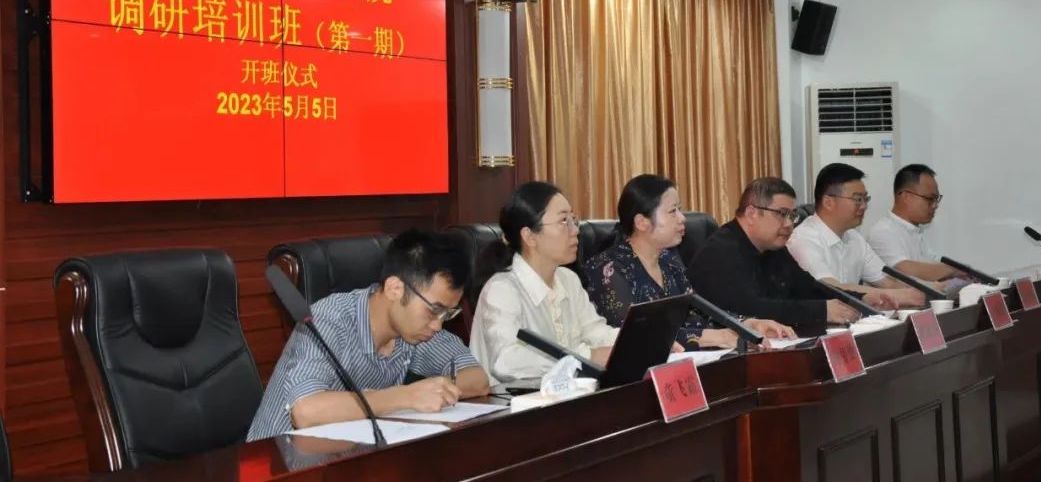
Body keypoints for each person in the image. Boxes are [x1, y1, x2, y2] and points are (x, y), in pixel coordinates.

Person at [246, 230, 489, 441]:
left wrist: (437, 390)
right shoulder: (327, 319)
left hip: (347, 458)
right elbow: (305, 412)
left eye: (448, 313)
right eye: (434, 310)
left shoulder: (415, 329)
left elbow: (477, 379)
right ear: (395, 288)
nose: (438, 325)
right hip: (279, 462)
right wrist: (405, 396)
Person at [583, 174, 795, 348]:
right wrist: (718, 337)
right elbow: (634, 335)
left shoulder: (668, 260)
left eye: (680, 209)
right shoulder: (607, 269)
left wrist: (748, 324)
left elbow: (699, 312)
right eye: (672, 211)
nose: (682, 218)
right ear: (642, 222)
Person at [688, 177, 898, 329]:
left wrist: (861, 299)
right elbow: (749, 308)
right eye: (782, 214)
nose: (789, 224)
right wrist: (821, 311)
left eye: (792, 215)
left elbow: (809, 288)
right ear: (751, 213)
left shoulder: (774, 248)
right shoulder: (721, 251)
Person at [470, 181, 619, 383]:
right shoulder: (502, 290)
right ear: (530, 236)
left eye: (573, 220)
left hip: (565, 395)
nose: (575, 230)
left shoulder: (568, 279)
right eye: (563, 221)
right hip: (511, 400)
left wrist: (637, 340)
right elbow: (506, 362)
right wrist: (587, 357)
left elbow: (595, 331)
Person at [787, 163, 926, 307]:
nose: (864, 206)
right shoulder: (802, 240)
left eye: (866, 199)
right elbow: (832, 288)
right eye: (858, 199)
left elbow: (889, 281)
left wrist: (929, 289)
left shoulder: (854, 238)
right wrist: (900, 296)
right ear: (829, 202)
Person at [867, 164, 965, 283]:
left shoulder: (915, 231)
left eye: (936, 199)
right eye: (930, 198)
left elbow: (934, 264)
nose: (935, 205)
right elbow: (905, 271)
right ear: (906, 196)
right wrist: (952, 270)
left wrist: (959, 273)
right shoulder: (882, 232)